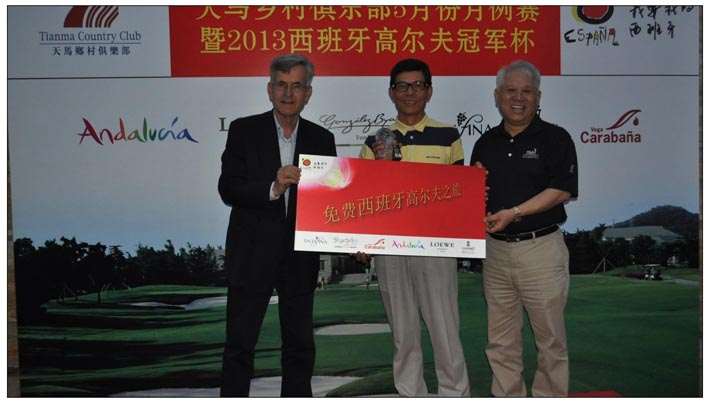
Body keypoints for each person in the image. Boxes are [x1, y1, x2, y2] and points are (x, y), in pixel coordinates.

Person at [218, 53, 337, 397]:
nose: (288, 93)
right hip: (251, 254)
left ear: (308, 93)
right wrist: (273, 187)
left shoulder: (322, 138)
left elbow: (329, 202)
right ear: (269, 89)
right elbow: (228, 188)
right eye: (281, 85)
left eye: (296, 86)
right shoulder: (243, 130)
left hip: (300, 256)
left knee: (300, 347)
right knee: (240, 346)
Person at [357, 58, 470, 397]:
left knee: (445, 330)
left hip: (436, 248)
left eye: (418, 85)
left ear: (429, 90)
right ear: (392, 92)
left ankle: (455, 394)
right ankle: (410, 394)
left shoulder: (448, 135)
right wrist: (360, 240)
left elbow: (459, 195)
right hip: (390, 250)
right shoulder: (375, 140)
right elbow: (363, 197)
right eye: (403, 86)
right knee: (403, 335)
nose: (410, 92)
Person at [470, 60, 578, 397]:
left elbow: (561, 191)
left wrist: (514, 213)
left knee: (551, 341)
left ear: (538, 97)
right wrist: (474, 196)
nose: (519, 98)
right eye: (511, 90)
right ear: (497, 96)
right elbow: (476, 197)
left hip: (540, 250)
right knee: (500, 342)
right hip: (495, 252)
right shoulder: (485, 143)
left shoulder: (556, 138)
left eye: (527, 91)